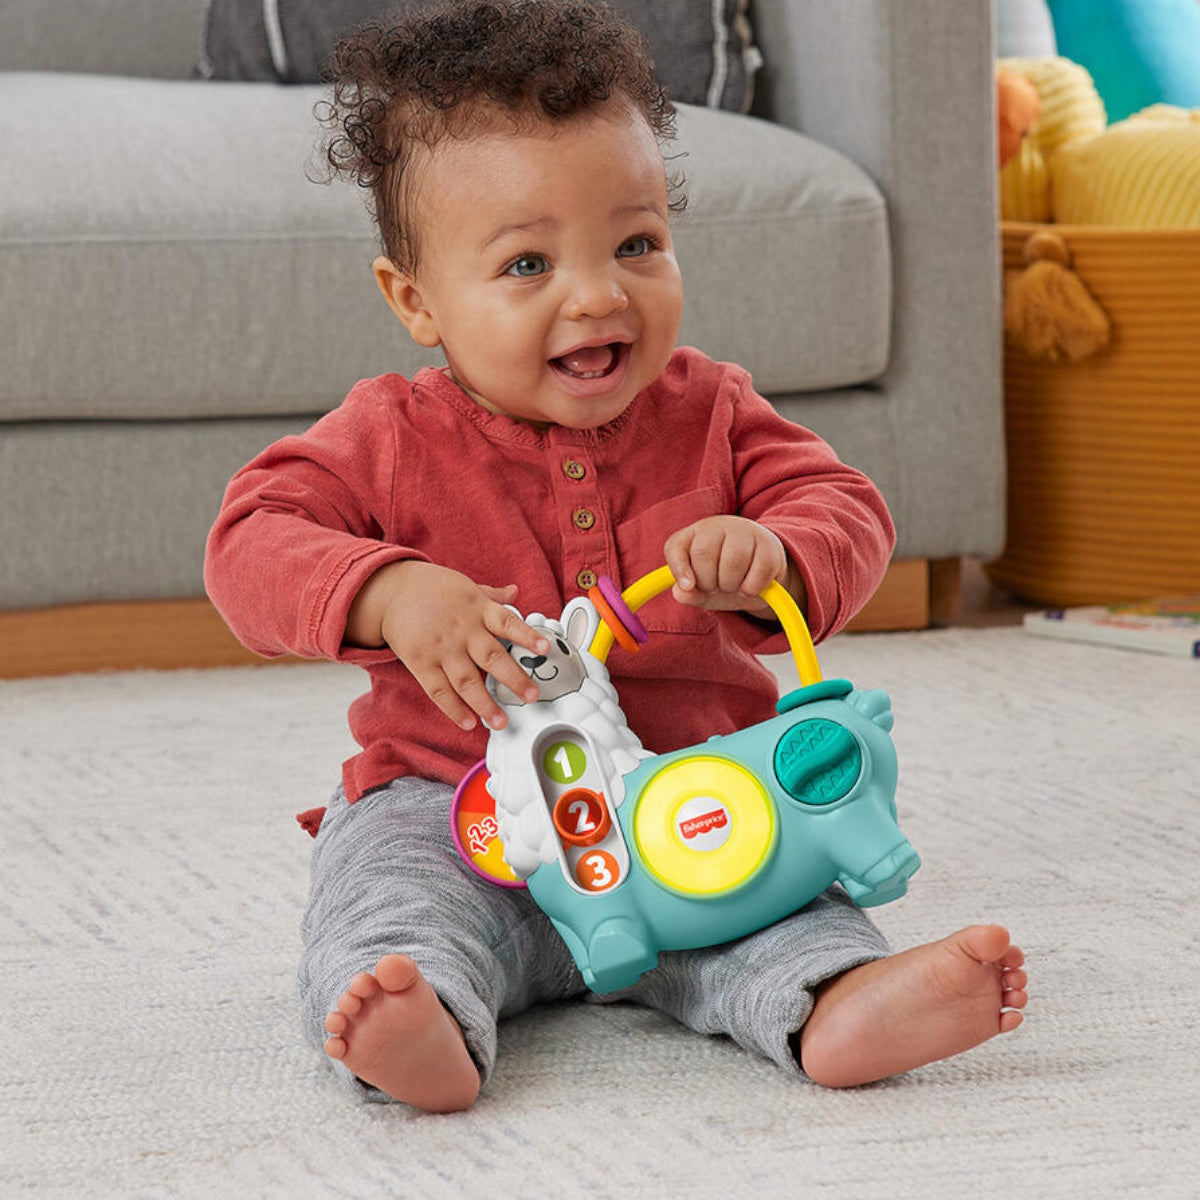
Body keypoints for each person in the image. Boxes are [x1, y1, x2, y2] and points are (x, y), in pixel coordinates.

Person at [204, 0, 1027, 1113]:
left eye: (636, 245)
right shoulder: (387, 436)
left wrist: (777, 553)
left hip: (691, 804)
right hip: (455, 810)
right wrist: (389, 591)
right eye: (527, 262)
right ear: (416, 300)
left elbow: (844, 506)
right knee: (388, 901)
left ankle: (837, 1000)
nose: (598, 295)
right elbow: (250, 539)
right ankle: (422, 1015)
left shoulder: (714, 409)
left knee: (786, 902)